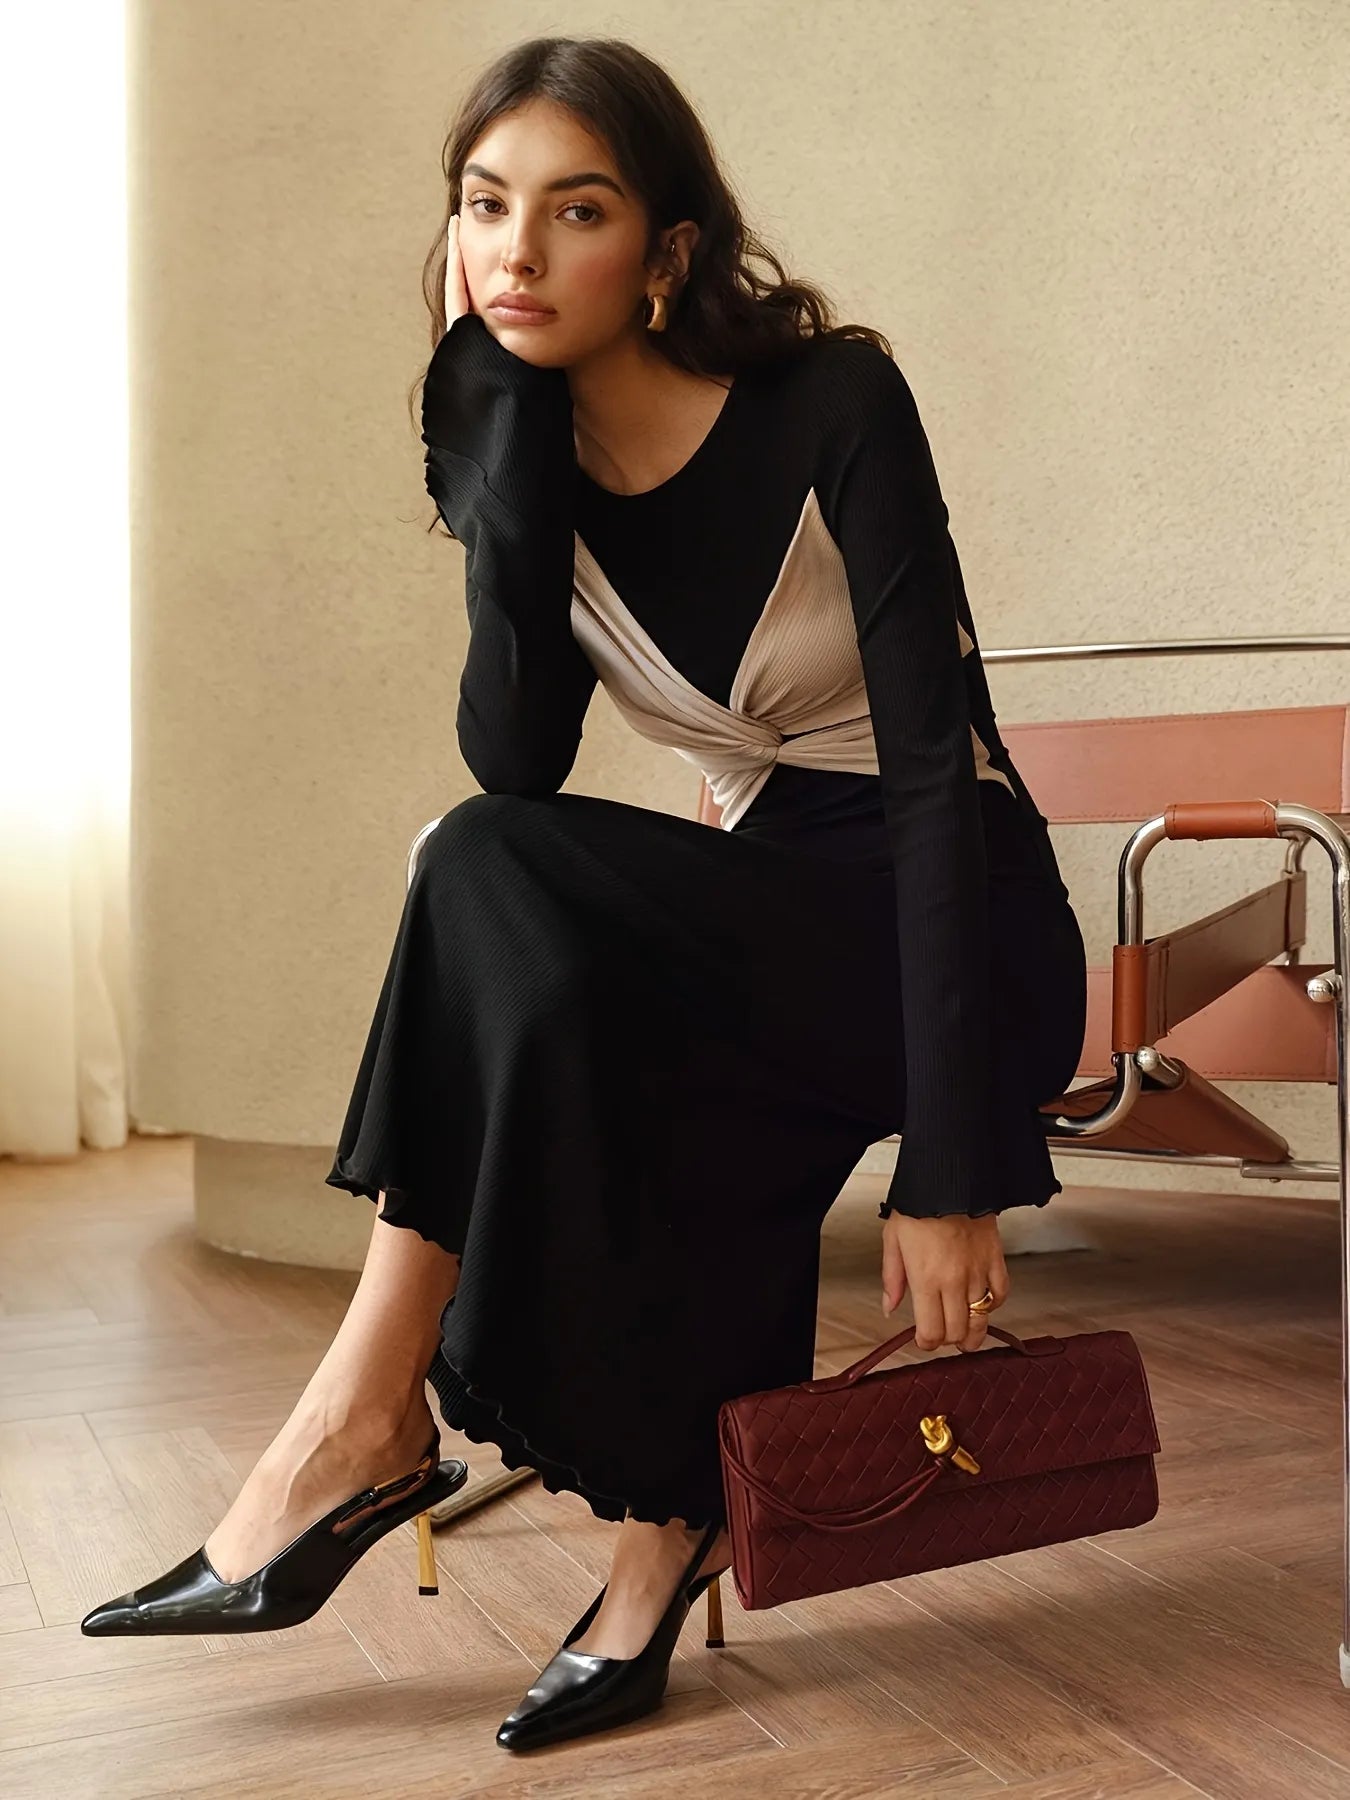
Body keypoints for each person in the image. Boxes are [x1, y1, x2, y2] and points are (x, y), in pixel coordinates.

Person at [80, 36, 1087, 1754]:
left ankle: (357, 1429)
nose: (515, 254)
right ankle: (646, 1539)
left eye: (576, 209)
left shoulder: (834, 403)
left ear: (669, 252)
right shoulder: (495, 414)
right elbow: (517, 754)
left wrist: (953, 1153)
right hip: (769, 901)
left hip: (959, 922)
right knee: (518, 918)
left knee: (481, 876)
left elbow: (931, 775)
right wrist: (509, 487)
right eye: (485, 208)